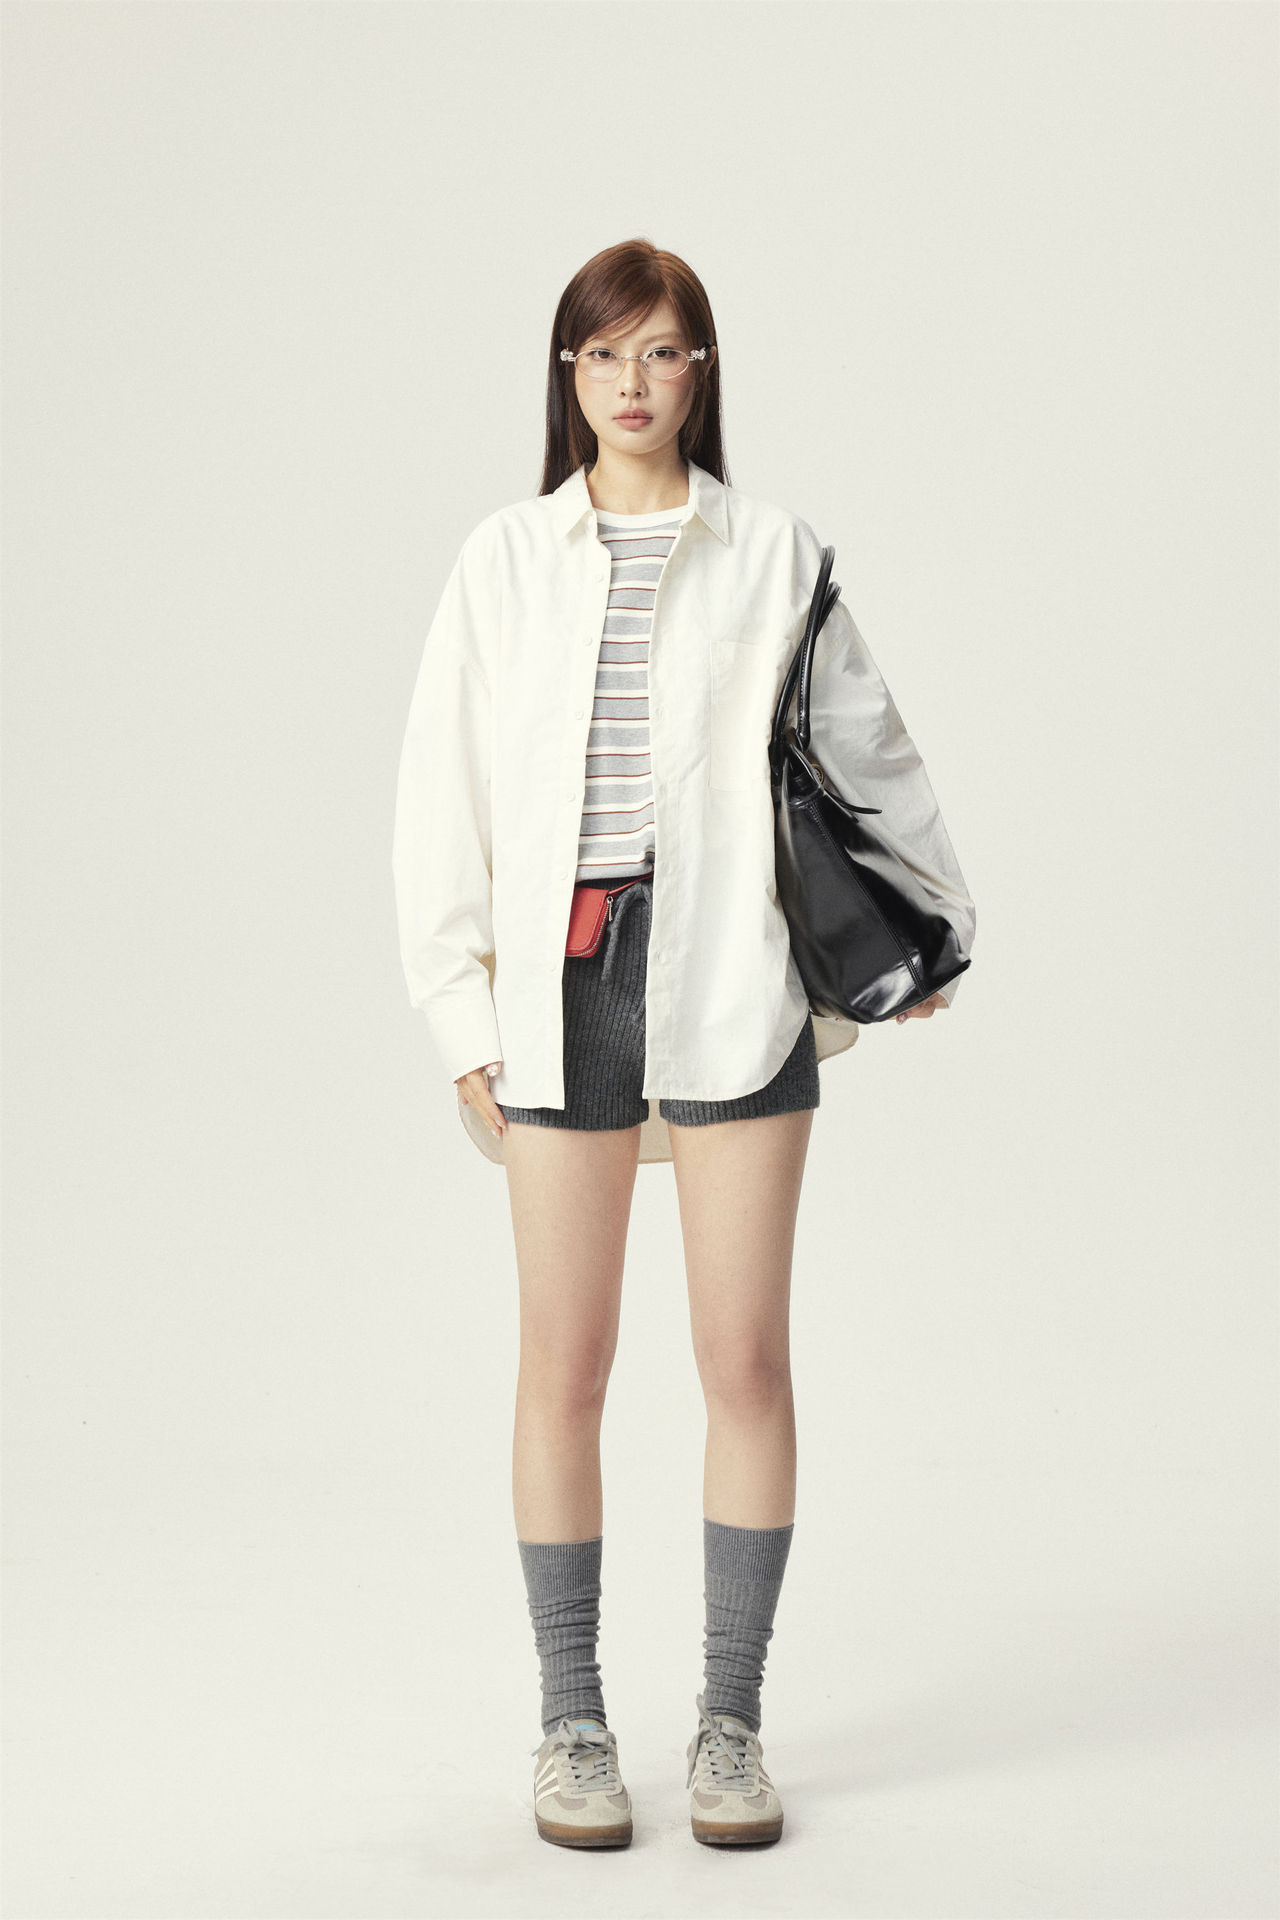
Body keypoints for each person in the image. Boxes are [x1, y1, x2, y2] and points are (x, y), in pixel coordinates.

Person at [392, 239, 976, 1851]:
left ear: (700, 372)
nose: (633, 382)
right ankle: (571, 1723)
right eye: (604, 355)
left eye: (661, 353)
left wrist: (924, 929)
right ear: (567, 376)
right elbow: (440, 791)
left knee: (745, 1361)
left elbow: (867, 750)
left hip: (733, 977)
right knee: (562, 1364)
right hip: (561, 984)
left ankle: (731, 1722)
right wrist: (458, 1012)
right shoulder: (503, 561)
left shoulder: (773, 552)